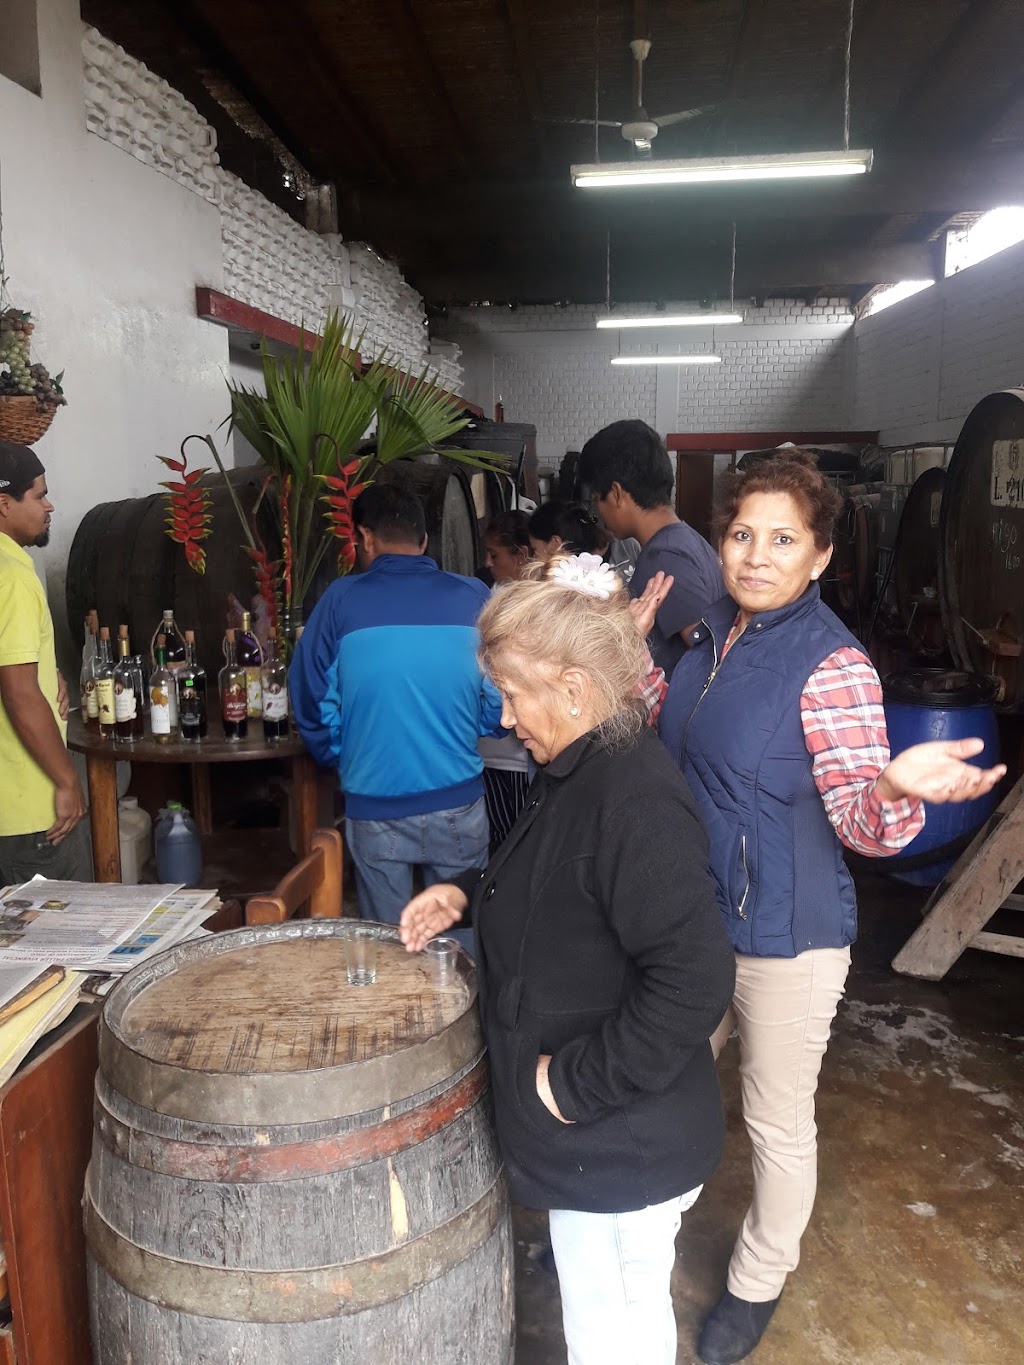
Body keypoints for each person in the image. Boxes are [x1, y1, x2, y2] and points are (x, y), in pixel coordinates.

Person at [658, 450, 1006, 1365]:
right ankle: (631, 1225)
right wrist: (618, 651)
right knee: (661, 1078)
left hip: (787, 938)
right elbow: (675, 734)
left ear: (820, 556)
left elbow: (862, 823)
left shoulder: (833, 664)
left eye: (783, 540)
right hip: (697, 921)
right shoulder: (710, 635)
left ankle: (758, 1278)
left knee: (774, 1121)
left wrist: (892, 785)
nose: (756, 555)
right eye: (742, 534)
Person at [398, 555, 736, 1365]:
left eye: (514, 694)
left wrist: (570, 1085)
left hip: (621, 1148)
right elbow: (556, 878)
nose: (505, 715)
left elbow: (695, 982)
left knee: (615, 1337)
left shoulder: (635, 800)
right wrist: (466, 893)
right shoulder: (578, 767)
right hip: (598, 1140)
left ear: (576, 689)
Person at [289, 484, 502, 935]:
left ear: (365, 538)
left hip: (374, 804)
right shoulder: (473, 596)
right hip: (458, 801)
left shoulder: (340, 601)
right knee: (463, 939)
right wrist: (480, 726)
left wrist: (340, 753)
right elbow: (503, 686)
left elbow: (309, 692)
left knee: (389, 944)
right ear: (424, 541)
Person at [0, 442, 90, 885]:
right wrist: (66, 780)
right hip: (29, 810)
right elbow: (19, 693)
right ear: (4, 504)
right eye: (39, 496)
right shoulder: (13, 577)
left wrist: (45, 669)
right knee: (63, 928)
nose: (49, 506)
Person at [578, 420, 724, 678]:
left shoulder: (665, 557)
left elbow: (710, 657)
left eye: (597, 499)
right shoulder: (686, 539)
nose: (598, 511)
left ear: (616, 494)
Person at [528, 500, 640, 581]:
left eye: (535, 549)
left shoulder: (565, 582)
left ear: (555, 543)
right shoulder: (629, 545)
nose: (533, 558)